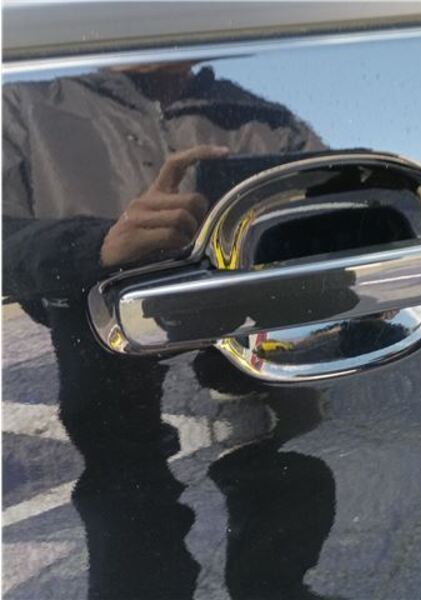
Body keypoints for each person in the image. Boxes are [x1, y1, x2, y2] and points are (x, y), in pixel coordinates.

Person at [2, 61, 332, 599]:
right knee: (127, 516)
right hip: (98, 363)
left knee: (286, 490)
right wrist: (97, 245)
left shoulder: (261, 116)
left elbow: (338, 211)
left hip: (260, 355)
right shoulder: (23, 106)